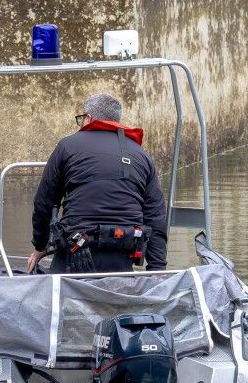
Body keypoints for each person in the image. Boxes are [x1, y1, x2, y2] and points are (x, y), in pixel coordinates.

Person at [28, 93, 168, 274]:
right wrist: (157, 269)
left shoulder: (67, 146)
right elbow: (156, 216)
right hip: (123, 253)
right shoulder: (142, 156)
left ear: (88, 118)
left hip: (75, 251)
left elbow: (44, 202)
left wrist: (40, 245)